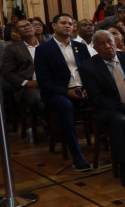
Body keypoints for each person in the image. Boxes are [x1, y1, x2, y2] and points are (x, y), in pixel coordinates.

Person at [80, 30, 125, 189]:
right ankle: (124, 167)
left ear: (116, 43)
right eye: (102, 44)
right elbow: (97, 99)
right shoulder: (89, 67)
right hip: (110, 109)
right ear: (95, 48)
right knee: (119, 121)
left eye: (110, 42)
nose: (108, 46)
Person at [34, 13, 92, 171]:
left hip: (82, 89)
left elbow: (89, 72)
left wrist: (87, 88)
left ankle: (111, 145)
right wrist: (66, 91)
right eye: (63, 23)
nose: (68, 26)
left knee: (105, 99)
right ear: (54, 26)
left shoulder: (80, 47)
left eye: (70, 24)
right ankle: (77, 155)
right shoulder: (43, 50)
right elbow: (44, 81)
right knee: (65, 106)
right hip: (58, 93)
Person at [0, 19, 44, 113]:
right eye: (21, 27)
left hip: (48, 82)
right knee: (40, 99)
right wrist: (27, 82)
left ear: (33, 28)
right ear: (17, 32)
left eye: (28, 25)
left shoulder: (45, 45)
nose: (26, 28)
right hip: (28, 86)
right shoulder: (12, 49)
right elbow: (8, 73)